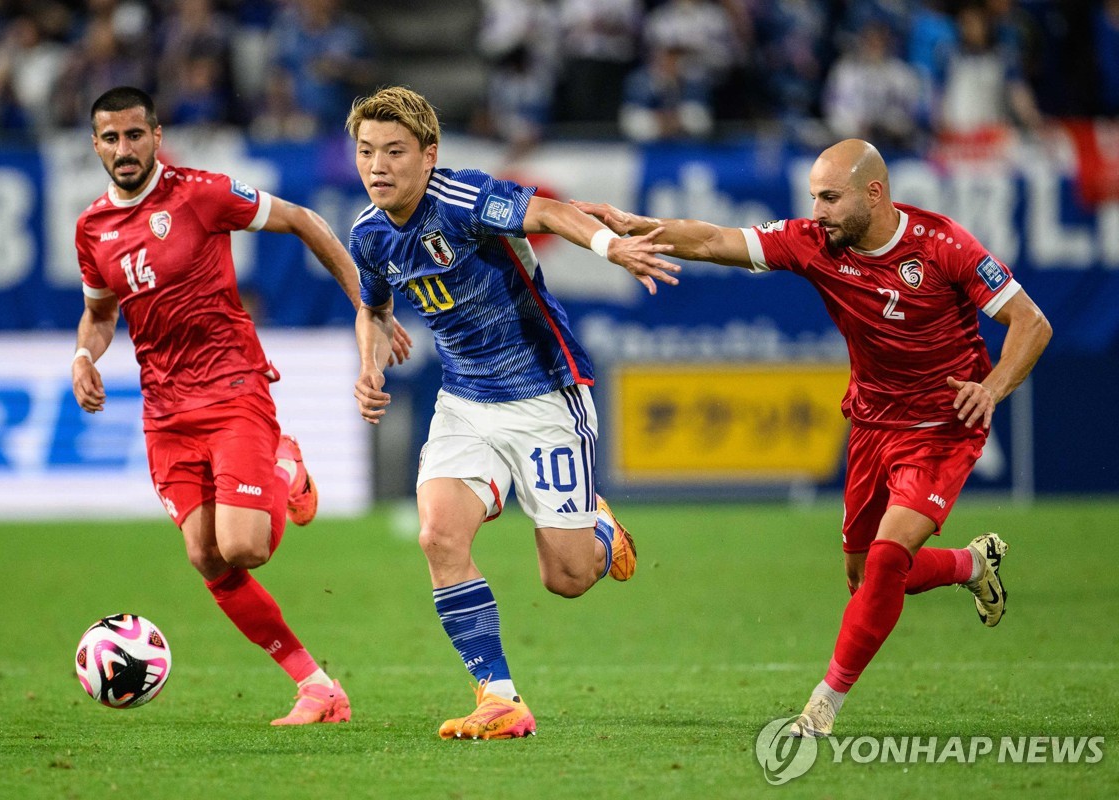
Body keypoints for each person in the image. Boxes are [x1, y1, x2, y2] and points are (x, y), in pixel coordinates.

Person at [574, 139, 1052, 737]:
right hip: (873, 424)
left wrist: (994, 388)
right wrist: (637, 227)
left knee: (885, 559)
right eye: (814, 198)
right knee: (864, 576)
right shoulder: (814, 242)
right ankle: (970, 564)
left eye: (829, 197)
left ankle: (821, 707)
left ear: (873, 194)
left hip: (940, 428)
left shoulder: (945, 245)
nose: (817, 210)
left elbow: (1031, 322)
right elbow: (714, 240)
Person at [345, 86, 680, 739]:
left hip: (545, 395)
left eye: (393, 151)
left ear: (428, 154)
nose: (377, 166)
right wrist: (369, 363)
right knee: (439, 537)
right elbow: (376, 308)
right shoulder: (368, 235)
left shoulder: (463, 197)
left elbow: (550, 212)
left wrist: (612, 248)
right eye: (365, 152)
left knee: (569, 578)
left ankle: (599, 532)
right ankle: (498, 697)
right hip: (465, 402)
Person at [70, 86, 411, 726]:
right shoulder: (92, 228)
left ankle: (286, 466)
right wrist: (85, 357)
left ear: (157, 135)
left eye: (135, 135)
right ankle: (317, 688)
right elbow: (98, 314)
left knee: (245, 548)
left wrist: (369, 305)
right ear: (95, 145)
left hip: (231, 389)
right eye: (111, 138)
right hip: (164, 412)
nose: (124, 149)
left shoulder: (199, 194)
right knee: (206, 557)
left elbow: (306, 221)